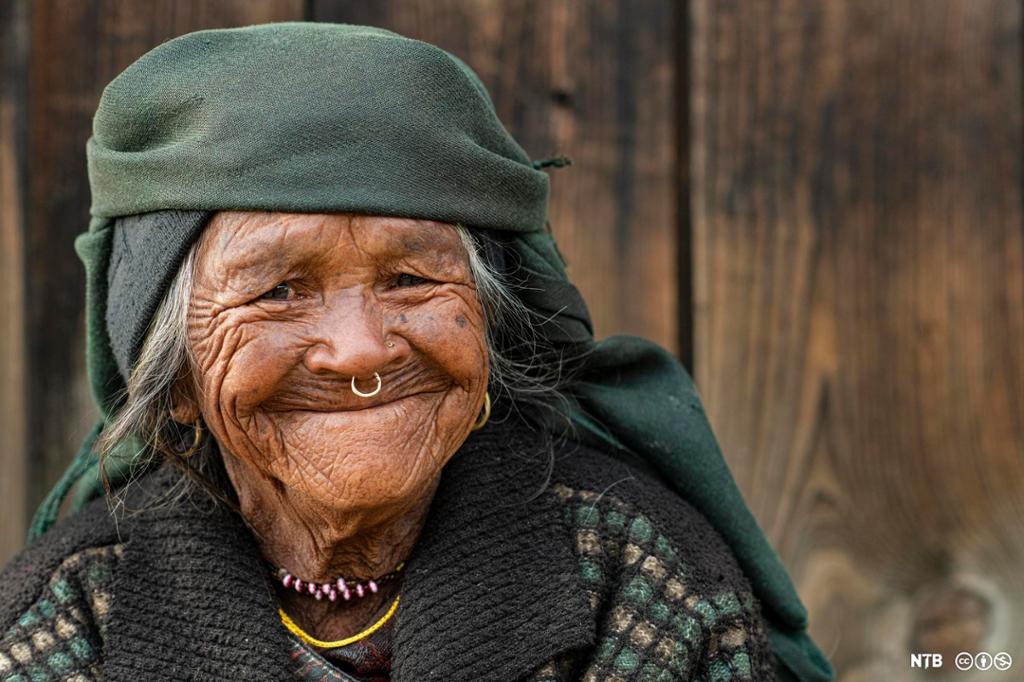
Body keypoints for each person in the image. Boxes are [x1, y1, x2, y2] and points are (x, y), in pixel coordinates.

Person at [0, 22, 833, 682]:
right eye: (279, 291)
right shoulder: (73, 612)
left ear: (489, 330)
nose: (359, 350)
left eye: (408, 278)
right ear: (174, 376)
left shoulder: (636, 573)